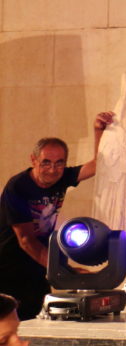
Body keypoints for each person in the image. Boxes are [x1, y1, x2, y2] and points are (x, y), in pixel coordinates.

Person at [0, 115, 112, 321]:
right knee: (12, 325)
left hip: (37, 267)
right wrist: (65, 270)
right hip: (8, 268)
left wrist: (98, 130)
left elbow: (98, 165)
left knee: (38, 320)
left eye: (59, 163)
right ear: (33, 160)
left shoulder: (62, 177)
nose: (52, 170)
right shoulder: (18, 187)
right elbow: (26, 240)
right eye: (46, 163)